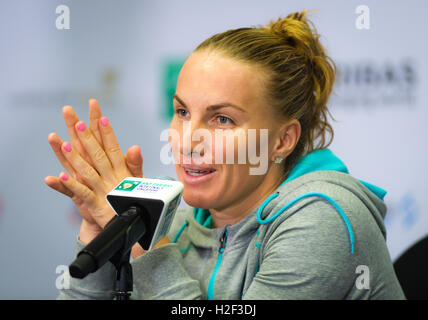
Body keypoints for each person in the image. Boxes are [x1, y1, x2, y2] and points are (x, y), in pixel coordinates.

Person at [46, 11, 405, 299]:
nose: (188, 141)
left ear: (283, 140)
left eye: (222, 119)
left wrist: (148, 246)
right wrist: (107, 234)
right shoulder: (181, 224)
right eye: (182, 112)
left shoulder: (323, 218)